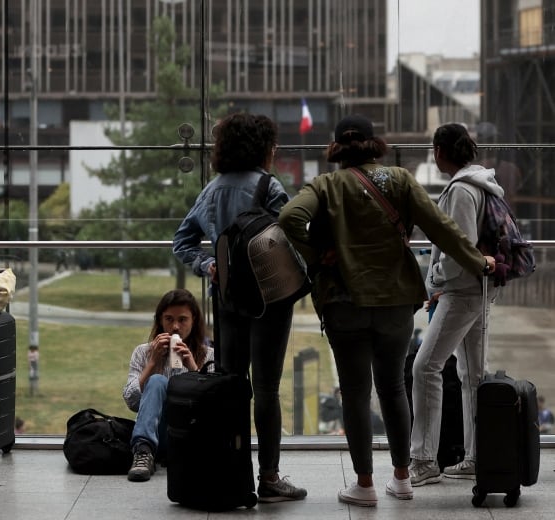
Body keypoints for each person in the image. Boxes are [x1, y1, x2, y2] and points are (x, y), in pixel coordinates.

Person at [278, 115, 496, 507]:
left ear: (337, 148)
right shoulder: (399, 179)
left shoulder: (326, 185)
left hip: (345, 303)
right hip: (396, 302)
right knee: (394, 387)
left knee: (357, 395)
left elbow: (289, 217)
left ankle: (364, 485)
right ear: (373, 143)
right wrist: (477, 261)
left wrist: (318, 255)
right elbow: (442, 228)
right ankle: (401, 478)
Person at [173, 112, 308, 502]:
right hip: (269, 301)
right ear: (262, 147)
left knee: (232, 386)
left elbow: (182, 241)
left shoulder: (212, 190)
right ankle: (269, 479)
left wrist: (208, 265)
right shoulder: (269, 187)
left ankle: (230, 471)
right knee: (267, 389)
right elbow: (293, 236)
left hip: (227, 299)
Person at [409, 123, 507, 486]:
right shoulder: (482, 183)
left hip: (462, 292)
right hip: (478, 290)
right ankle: (477, 457)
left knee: (425, 367)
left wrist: (434, 278)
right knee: (472, 375)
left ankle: (422, 459)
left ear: (439, 151)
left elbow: (460, 249)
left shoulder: (461, 191)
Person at [122, 289, 213, 482]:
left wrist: (194, 369)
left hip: (190, 435)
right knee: (156, 381)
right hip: (157, 433)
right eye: (169, 319)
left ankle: (154, 452)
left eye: (182, 319)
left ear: (194, 320)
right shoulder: (143, 353)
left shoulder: (209, 356)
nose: (175, 327)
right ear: (160, 320)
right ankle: (143, 452)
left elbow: (210, 408)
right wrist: (152, 364)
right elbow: (131, 402)